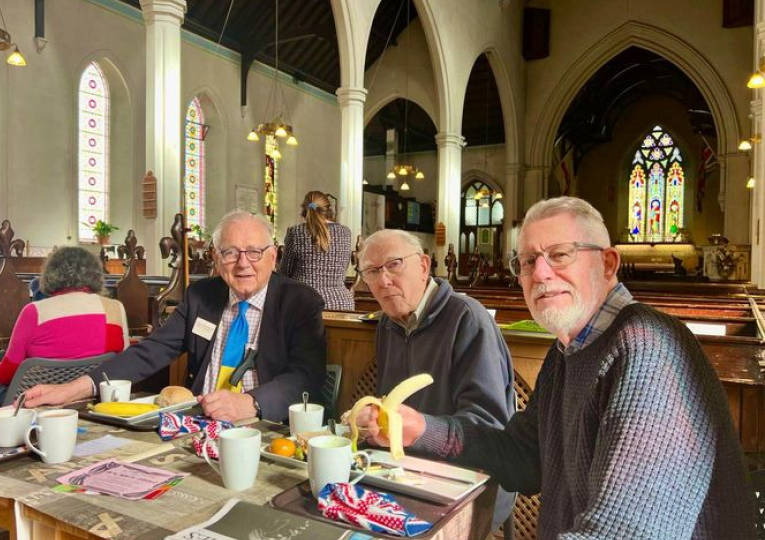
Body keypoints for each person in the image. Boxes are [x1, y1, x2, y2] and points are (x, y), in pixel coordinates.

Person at [360, 197, 756, 538]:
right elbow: (521, 458)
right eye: (528, 261)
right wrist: (419, 428)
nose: (542, 274)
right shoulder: (567, 352)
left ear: (608, 263)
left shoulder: (648, 348)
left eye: (560, 255)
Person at [23, 211, 327, 424]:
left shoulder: (300, 302)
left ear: (273, 257)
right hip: (196, 424)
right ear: (217, 259)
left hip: (266, 429)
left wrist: (250, 402)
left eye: (254, 252)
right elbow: (150, 351)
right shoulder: (202, 296)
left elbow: (305, 378)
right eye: (231, 253)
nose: (242, 263)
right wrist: (72, 388)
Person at [352, 229, 515, 531]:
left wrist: (420, 430)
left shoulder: (467, 318)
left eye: (394, 265)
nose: (384, 280)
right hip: (403, 473)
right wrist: (372, 423)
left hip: (470, 482)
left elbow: (488, 427)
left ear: (424, 266)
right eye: (372, 271)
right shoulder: (388, 323)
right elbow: (391, 407)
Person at [0, 247, 130, 408]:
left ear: (50, 274)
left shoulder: (34, 312)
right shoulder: (114, 308)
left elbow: (7, 374)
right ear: (95, 274)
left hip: (36, 403)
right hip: (89, 400)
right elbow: (122, 362)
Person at [279, 191, 354, 310]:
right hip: (341, 303)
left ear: (304, 209)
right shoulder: (345, 232)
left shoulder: (296, 232)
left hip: (303, 302)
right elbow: (344, 268)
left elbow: (284, 273)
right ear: (328, 209)